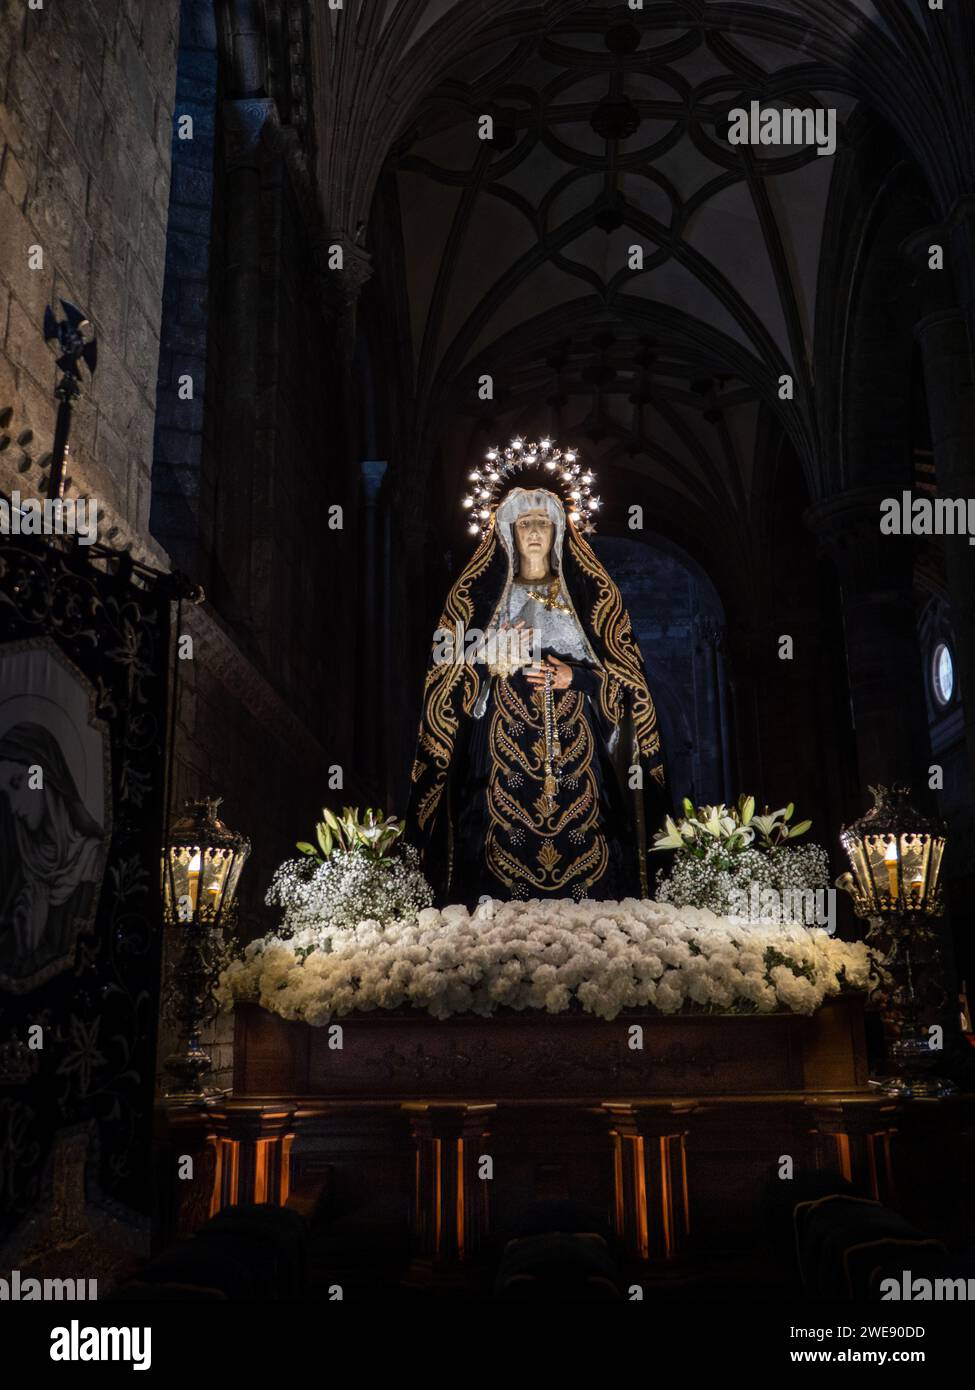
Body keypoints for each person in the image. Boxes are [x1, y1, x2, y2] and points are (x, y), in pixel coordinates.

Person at [407, 484, 668, 905]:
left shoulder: (588, 600)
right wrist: (487, 661)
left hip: (576, 751)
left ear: (558, 533)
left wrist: (577, 677)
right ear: (509, 531)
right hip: (497, 751)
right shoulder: (481, 599)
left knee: (588, 838)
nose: (533, 531)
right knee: (493, 839)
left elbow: (627, 682)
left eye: (542, 523)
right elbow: (446, 683)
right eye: (524, 522)